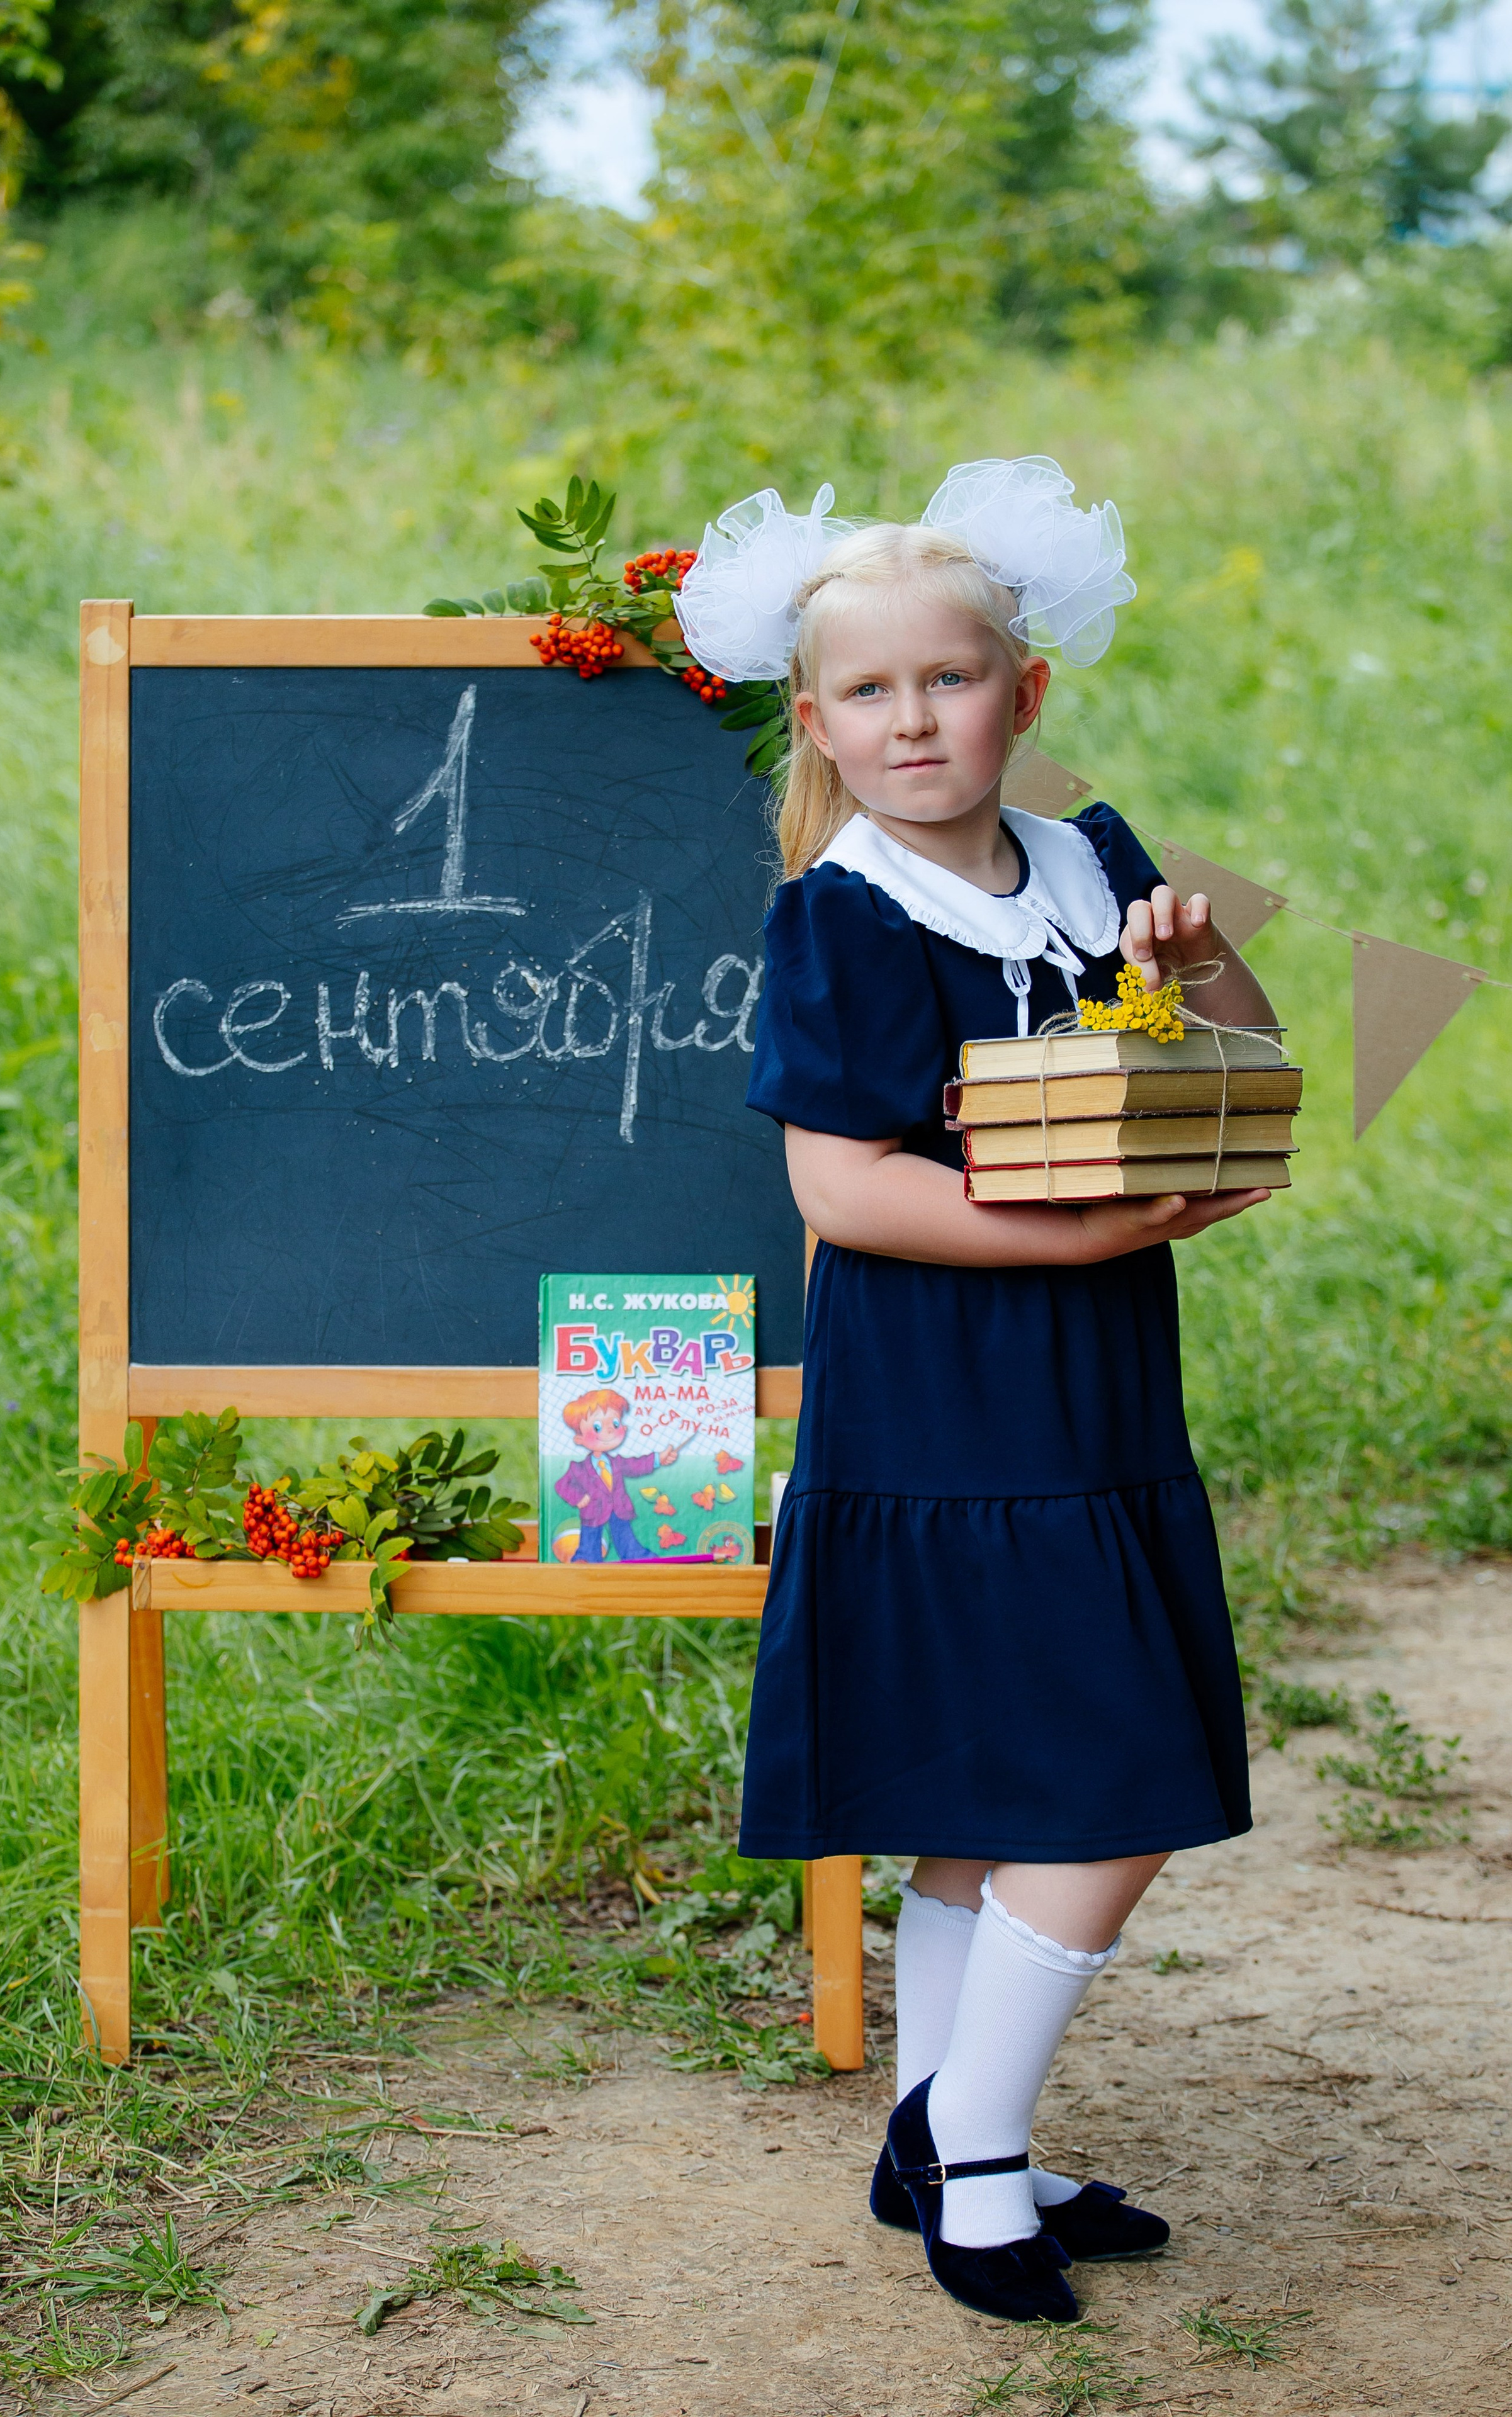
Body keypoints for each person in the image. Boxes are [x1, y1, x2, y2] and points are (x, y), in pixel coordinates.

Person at [675, 459, 1277, 2326]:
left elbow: (1232, 1064)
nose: (912, 719)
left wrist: (1193, 971)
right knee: (1108, 1786)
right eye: (868, 691)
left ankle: (928, 2141)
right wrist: (1080, 1241)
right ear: (816, 723)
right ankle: (981, 2155)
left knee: (994, 1790)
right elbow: (842, 1191)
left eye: (947, 678)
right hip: (944, 1395)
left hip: (1092, 1400)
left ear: (1024, 692)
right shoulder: (842, 916)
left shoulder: (1088, 860)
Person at [555, 1387, 679, 1562]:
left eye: (615, 1424)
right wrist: (578, 1497)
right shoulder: (578, 1468)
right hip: (593, 1511)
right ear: (579, 1439)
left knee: (625, 1536)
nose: (610, 1431)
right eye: (597, 1427)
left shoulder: (617, 1463)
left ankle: (636, 1557)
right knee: (590, 1538)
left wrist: (659, 1459)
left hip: (619, 1508)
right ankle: (586, 1558)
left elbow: (636, 1465)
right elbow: (561, 1485)